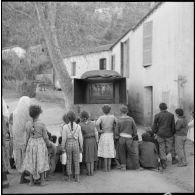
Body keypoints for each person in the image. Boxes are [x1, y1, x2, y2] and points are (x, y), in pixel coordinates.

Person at [21, 105, 50, 186]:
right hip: (40, 144)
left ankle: (31, 181)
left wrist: (25, 146)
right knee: (41, 161)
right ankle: (42, 181)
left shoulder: (27, 124)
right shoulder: (42, 124)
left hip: (31, 144)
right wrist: (48, 144)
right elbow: (45, 137)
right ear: (39, 113)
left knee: (31, 162)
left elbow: (26, 137)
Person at [12, 96, 32, 183]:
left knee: (19, 157)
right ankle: (23, 177)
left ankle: (22, 173)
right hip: (24, 137)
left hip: (16, 138)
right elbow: (29, 126)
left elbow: (12, 126)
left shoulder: (15, 112)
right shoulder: (27, 113)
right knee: (25, 156)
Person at [152, 103, 178, 169]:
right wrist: (173, 132)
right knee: (169, 147)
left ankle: (163, 160)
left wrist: (155, 132)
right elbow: (173, 125)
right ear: (166, 107)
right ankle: (163, 161)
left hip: (160, 134)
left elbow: (154, 125)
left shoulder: (157, 115)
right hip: (169, 134)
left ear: (159, 108)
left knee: (161, 147)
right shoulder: (171, 115)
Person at [61, 111, 83, 182]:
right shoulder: (78, 126)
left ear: (68, 118)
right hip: (76, 143)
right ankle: (77, 177)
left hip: (68, 144)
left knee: (69, 161)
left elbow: (64, 138)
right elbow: (80, 138)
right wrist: (81, 146)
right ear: (75, 118)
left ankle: (69, 177)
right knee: (76, 161)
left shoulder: (65, 127)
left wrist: (62, 146)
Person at [115, 105, 138, 171]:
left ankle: (123, 167)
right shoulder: (131, 119)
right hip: (129, 138)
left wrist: (117, 137)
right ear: (127, 111)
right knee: (132, 152)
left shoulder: (119, 120)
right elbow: (135, 129)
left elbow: (116, 130)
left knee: (122, 153)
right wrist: (133, 135)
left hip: (121, 138)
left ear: (120, 112)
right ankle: (136, 166)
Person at [96, 104, 117, 172]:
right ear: (109, 110)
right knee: (110, 151)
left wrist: (99, 130)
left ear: (103, 110)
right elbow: (118, 123)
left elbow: (96, 124)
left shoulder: (101, 117)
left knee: (105, 151)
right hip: (110, 134)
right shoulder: (113, 117)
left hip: (104, 134)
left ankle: (105, 168)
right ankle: (109, 168)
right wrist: (115, 129)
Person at [80, 111, 98, 176]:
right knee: (92, 157)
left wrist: (81, 145)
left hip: (86, 141)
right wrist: (97, 141)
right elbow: (96, 133)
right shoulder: (93, 123)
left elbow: (81, 136)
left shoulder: (80, 125)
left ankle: (89, 172)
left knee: (87, 158)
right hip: (93, 141)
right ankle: (92, 172)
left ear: (83, 118)